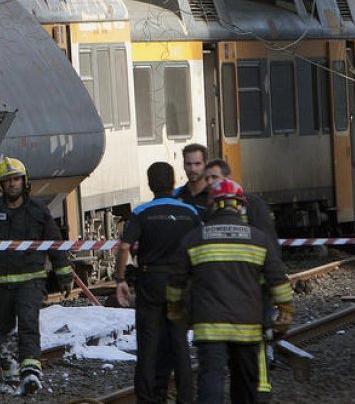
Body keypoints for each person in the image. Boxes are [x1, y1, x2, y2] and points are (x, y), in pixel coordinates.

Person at [166, 179, 293, 404]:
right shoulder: (258, 239)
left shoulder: (194, 239)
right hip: (248, 326)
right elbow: (277, 280)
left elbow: (175, 282)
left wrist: (176, 310)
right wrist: (285, 310)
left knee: (211, 380)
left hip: (209, 327)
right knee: (245, 383)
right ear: (240, 206)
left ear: (212, 205)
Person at [0, 156, 74, 396]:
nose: (12, 184)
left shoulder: (38, 210)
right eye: (7, 181)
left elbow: (55, 243)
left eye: (16, 179)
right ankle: (11, 377)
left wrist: (64, 275)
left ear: (24, 181)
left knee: (28, 323)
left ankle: (31, 373)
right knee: (4, 331)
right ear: (0, 184)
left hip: (31, 280)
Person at [116, 162, 201, 403]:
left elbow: (124, 246)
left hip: (150, 282)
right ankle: (186, 397)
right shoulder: (190, 213)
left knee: (148, 345)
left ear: (150, 184)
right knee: (179, 344)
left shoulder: (142, 212)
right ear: (173, 182)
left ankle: (146, 398)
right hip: (180, 283)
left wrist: (120, 278)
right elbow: (200, 246)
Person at [174, 143, 210, 212]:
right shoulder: (176, 195)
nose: (193, 169)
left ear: (206, 165)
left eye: (197, 164)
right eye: (188, 164)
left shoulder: (214, 196)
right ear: (183, 165)